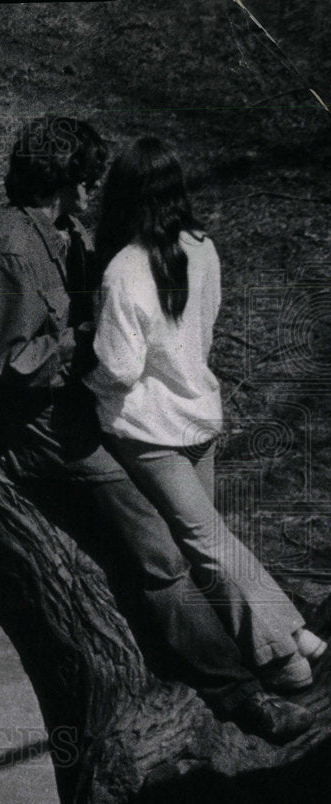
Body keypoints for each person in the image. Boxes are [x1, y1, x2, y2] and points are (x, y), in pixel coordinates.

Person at [0, 116, 311, 743]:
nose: (94, 193)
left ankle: (274, 642)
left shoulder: (64, 232)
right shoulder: (9, 252)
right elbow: (7, 364)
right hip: (46, 429)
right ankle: (239, 694)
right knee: (163, 556)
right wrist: (82, 342)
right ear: (62, 183)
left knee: (198, 531)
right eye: (86, 181)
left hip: (86, 408)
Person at [84, 136, 326, 691]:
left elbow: (118, 369)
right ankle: (298, 637)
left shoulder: (123, 268)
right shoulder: (203, 246)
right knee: (213, 540)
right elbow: (204, 326)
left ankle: (282, 659)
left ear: (121, 195)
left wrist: (83, 377)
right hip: (200, 416)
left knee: (204, 545)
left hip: (151, 431)